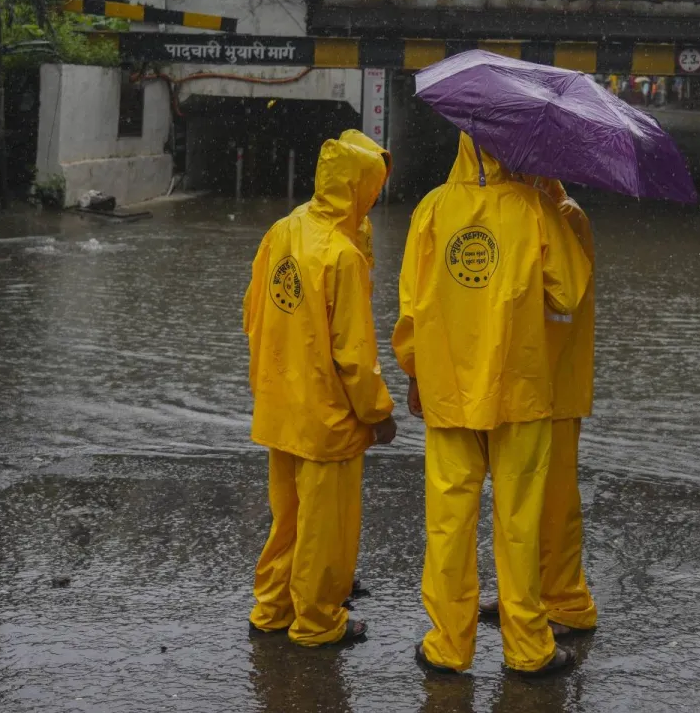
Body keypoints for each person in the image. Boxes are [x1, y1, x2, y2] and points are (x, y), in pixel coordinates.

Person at [394, 133, 591, 678]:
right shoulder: (535, 209)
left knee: (449, 522)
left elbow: (409, 309)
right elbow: (569, 292)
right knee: (520, 522)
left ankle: (448, 646)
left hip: (449, 392)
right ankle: (527, 646)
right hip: (520, 390)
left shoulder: (432, 209)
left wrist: (415, 373)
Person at [244, 134, 397, 646]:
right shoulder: (341, 255)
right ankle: (316, 620)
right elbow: (352, 353)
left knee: (286, 518)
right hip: (327, 417)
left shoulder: (283, 230)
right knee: (323, 526)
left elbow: (254, 314)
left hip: (280, 405)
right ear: (360, 186)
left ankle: (272, 607)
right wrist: (378, 413)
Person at [481, 177, 598, 636]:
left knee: (555, 504)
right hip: (528, 382)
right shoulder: (532, 212)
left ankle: (567, 603)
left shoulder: (564, 216)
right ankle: (524, 594)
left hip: (555, 387)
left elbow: (558, 296)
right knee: (520, 501)